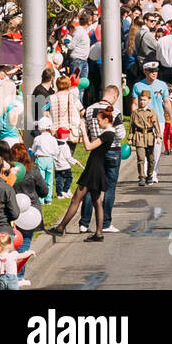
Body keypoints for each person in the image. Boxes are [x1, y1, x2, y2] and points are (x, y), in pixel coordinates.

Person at [49, 107, 116, 242]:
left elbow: (88, 147)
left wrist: (83, 131)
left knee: (76, 200)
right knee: (97, 202)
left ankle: (61, 228)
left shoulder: (107, 134)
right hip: (96, 169)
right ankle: (98, 233)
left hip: (93, 170)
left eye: (99, 121)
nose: (97, 123)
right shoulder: (108, 133)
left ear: (106, 119)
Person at [78, 84, 126, 234]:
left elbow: (85, 127)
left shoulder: (90, 109)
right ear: (113, 96)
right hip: (112, 151)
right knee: (110, 188)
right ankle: (105, 223)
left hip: (96, 151)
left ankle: (84, 223)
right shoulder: (115, 112)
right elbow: (121, 134)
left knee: (91, 186)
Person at [129, 91, 159, 186]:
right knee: (140, 158)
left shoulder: (152, 112)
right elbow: (131, 126)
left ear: (149, 100)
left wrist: (158, 136)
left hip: (149, 136)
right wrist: (130, 137)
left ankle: (149, 175)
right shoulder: (135, 113)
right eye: (141, 100)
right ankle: (141, 177)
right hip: (139, 136)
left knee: (151, 158)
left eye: (144, 100)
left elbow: (156, 125)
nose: (142, 102)